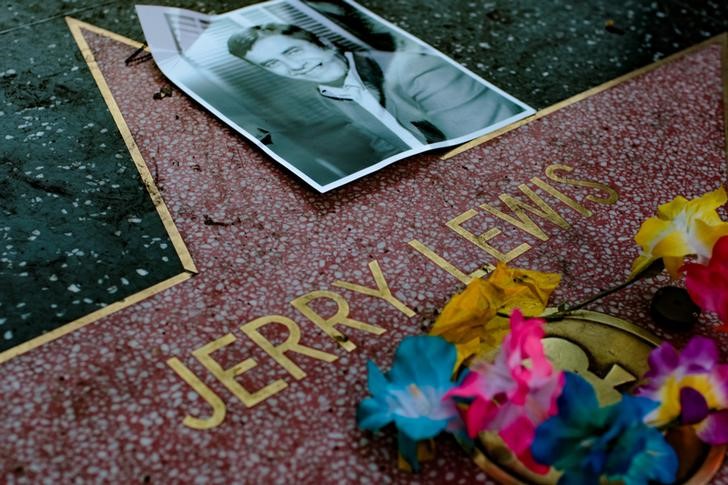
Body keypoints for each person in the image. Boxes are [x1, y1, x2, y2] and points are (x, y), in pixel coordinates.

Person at [228, 24, 522, 148]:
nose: (294, 67)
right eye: (273, 64)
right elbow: (384, 143)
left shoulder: (415, 71)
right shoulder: (328, 95)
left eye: (292, 52)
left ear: (326, 44)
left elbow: (489, 144)